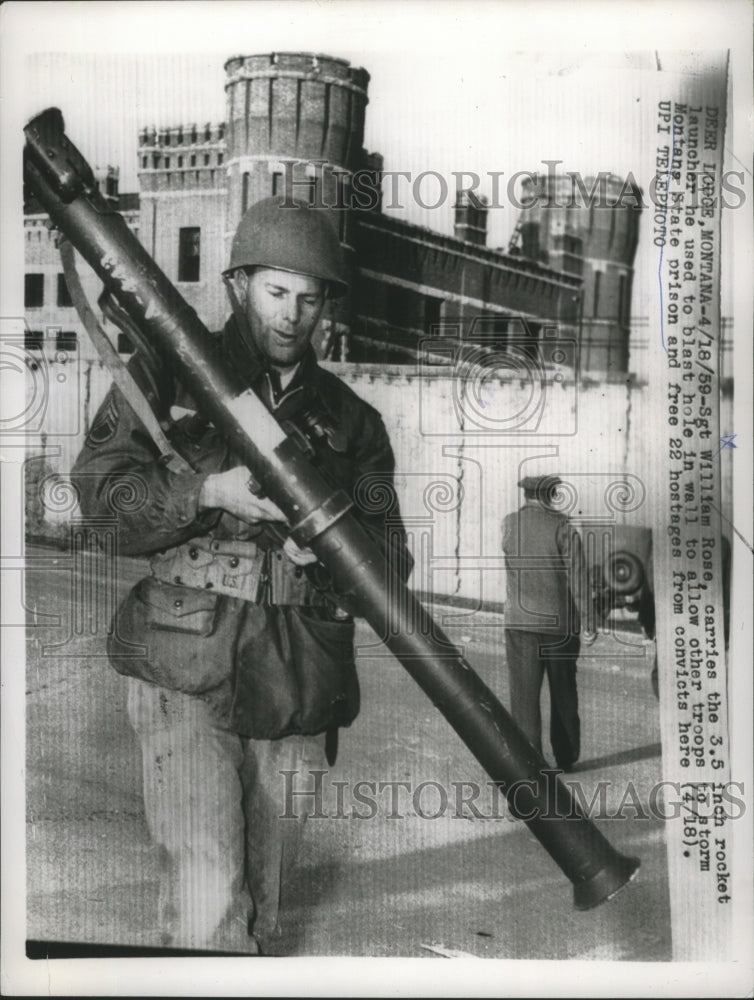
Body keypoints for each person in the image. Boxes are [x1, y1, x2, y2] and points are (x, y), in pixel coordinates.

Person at [71, 196, 411, 954]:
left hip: (295, 671)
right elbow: (103, 495)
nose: (292, 314)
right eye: (275, 290)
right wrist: (206, 493)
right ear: (239, 285)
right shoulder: (170, 369)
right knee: (208, 895)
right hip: (182, 661)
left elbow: (391, 560)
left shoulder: (354, 424)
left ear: (325, 307)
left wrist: (329, 555)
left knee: (263, 903)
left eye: (308, 297)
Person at [501, 475, 595, 771]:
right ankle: (566, 757)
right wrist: (589, 621)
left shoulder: (508, 524)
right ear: (551, 495)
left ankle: (529, 762)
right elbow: (578, 580)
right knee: (563, 692)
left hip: (519, 622)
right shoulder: (563, 527)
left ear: (526, 495)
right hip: (559, 627)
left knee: (524, 697)